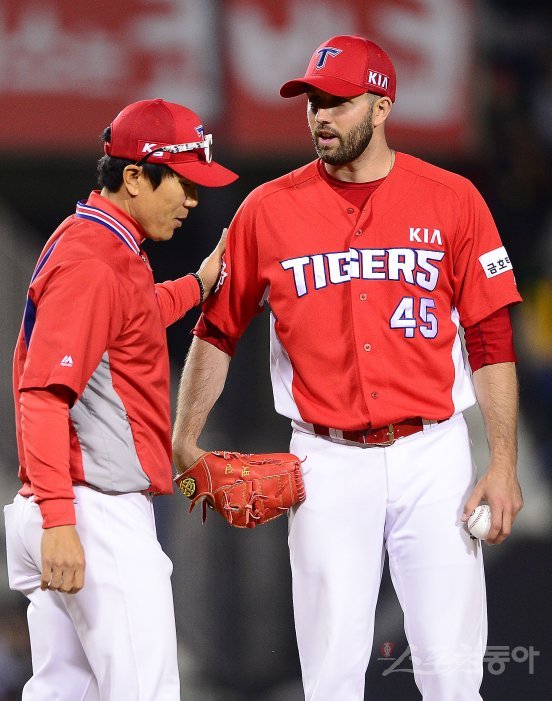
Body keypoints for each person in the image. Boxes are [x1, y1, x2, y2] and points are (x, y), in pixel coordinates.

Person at [171, 35, 523, 700]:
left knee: (452, 675)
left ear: (382, 106)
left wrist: (502, 463)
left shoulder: (452, 199)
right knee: (330, 677)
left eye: (338, 101)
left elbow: (490, 335)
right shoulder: (267, 209)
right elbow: (216, 332)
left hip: (433, 455)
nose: (321, 116)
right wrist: (184, 440)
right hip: (325, 457)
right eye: (313, 102)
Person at [3, 98, 238, 701]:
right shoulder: (94, 261)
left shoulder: (99, 239)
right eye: (183, 183)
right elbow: (43, 395)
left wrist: (199, 284)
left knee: (65, 693)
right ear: (134, 176)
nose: (192, 200)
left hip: (71, 505)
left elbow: (131, 317)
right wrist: (60, 520)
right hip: (91, 512)